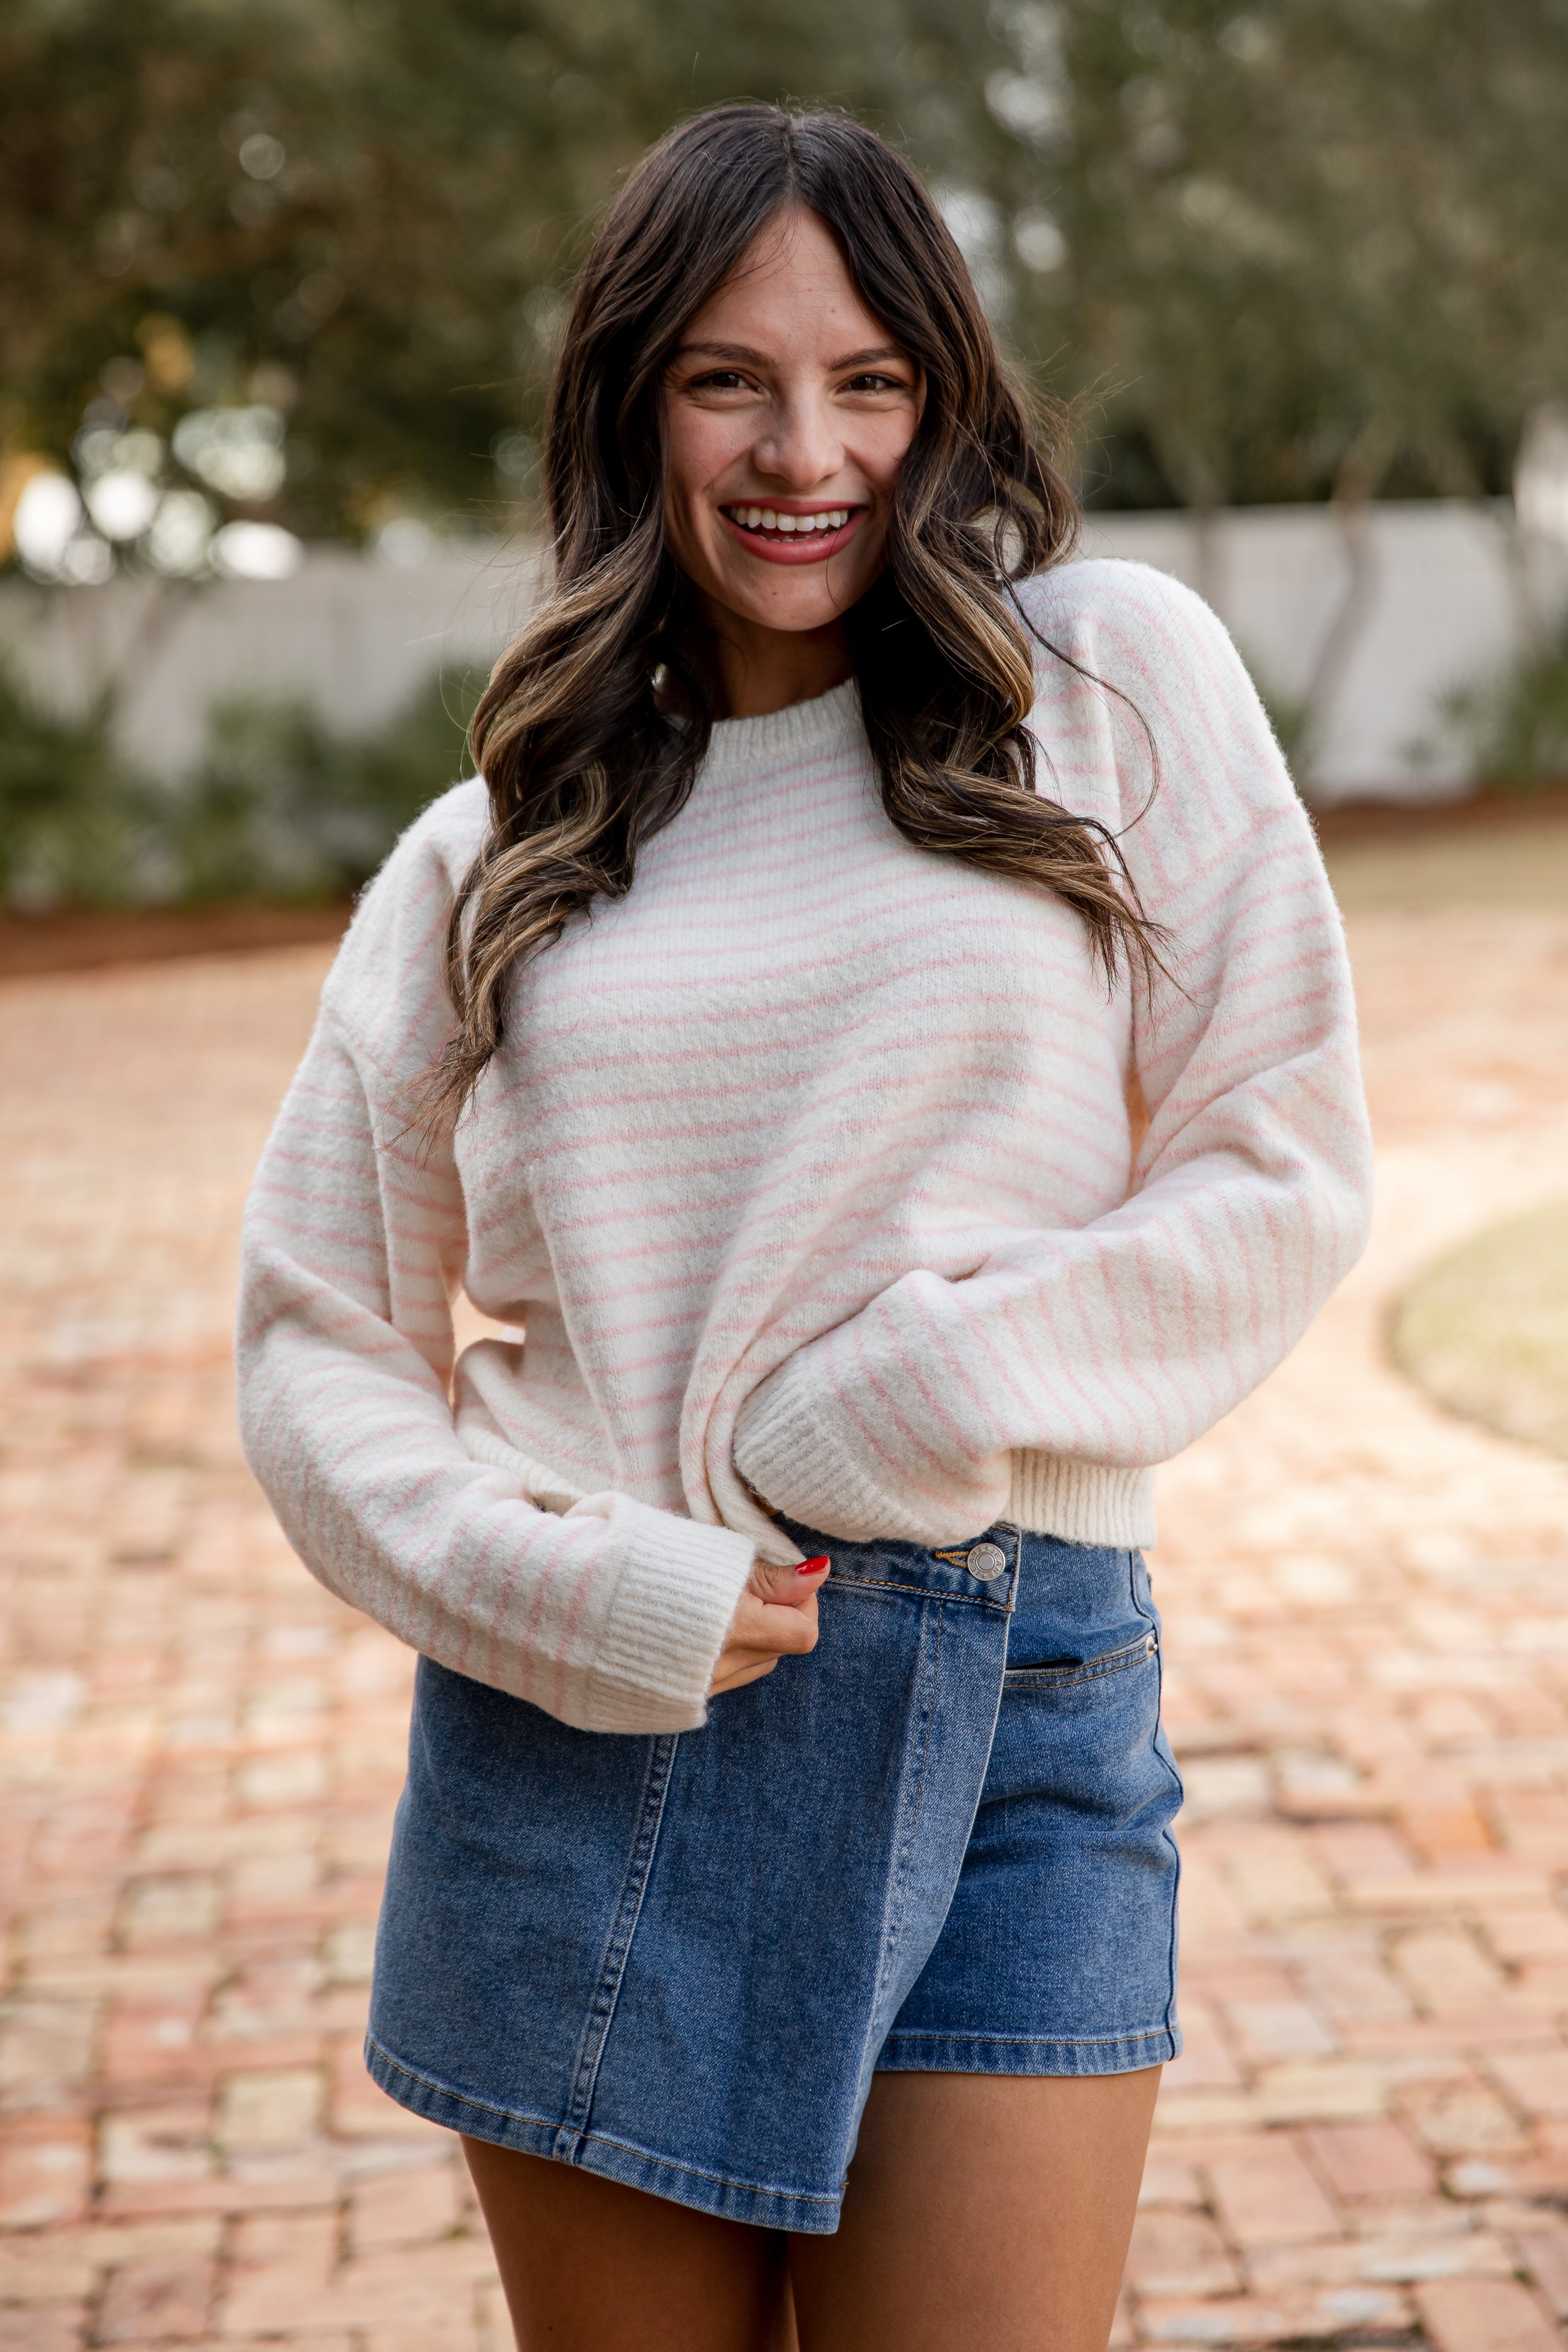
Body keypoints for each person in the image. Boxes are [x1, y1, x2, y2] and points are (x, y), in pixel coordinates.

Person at [237, 102, 1373, 2352]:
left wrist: (915, 1393)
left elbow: (1280, 1158)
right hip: (589, 1726)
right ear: (630, 400)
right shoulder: (494, 853)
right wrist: (561, 1585)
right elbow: (311, 1341)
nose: (805, 450)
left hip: (1020, 1690)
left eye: (868, 382)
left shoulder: (1104, 680)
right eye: (728, 379)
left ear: (940, 403)